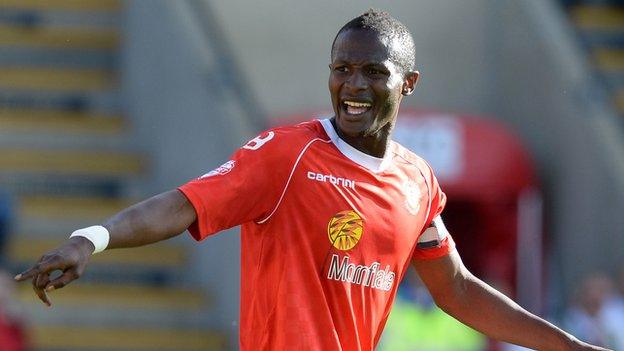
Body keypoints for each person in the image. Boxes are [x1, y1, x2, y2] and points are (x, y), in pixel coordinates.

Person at [14, 9, 611, 351]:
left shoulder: (416, 180)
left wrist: (567, 346)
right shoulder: (286, 153)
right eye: (341, 69)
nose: (352, 85)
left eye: (372, 72)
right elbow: (184, 203)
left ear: (408, 83)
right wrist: (91, 238)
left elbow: (455, 289)